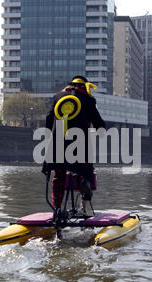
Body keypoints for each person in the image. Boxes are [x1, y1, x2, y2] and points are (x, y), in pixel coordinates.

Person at [42, 76, 105, 214]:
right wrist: (101, 131)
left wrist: (48, 135)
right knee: (85, 170)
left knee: (59, 174)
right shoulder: (88, 100)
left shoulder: (58, 96)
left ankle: (57, 208)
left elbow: (48, 118)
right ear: (84, 86)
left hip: (58, 142)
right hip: (79, 142)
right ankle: (85, 186)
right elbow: (98, 122)